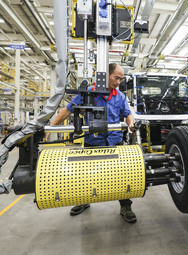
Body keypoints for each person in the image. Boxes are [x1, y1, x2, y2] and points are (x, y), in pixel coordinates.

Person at [47, 63, 137, 223]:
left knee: (122, 175)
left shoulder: (120, 96)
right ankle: (84, 200)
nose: (118, 82)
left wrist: (131, 124)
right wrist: (50, 127)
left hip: (114, 142)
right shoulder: (89, 92)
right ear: (106, 75)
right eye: (116, 78)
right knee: (86, 175)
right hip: (93, 141)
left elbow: (128, 113)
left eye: (121, 79)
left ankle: (126, 206)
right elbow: (67, 109)